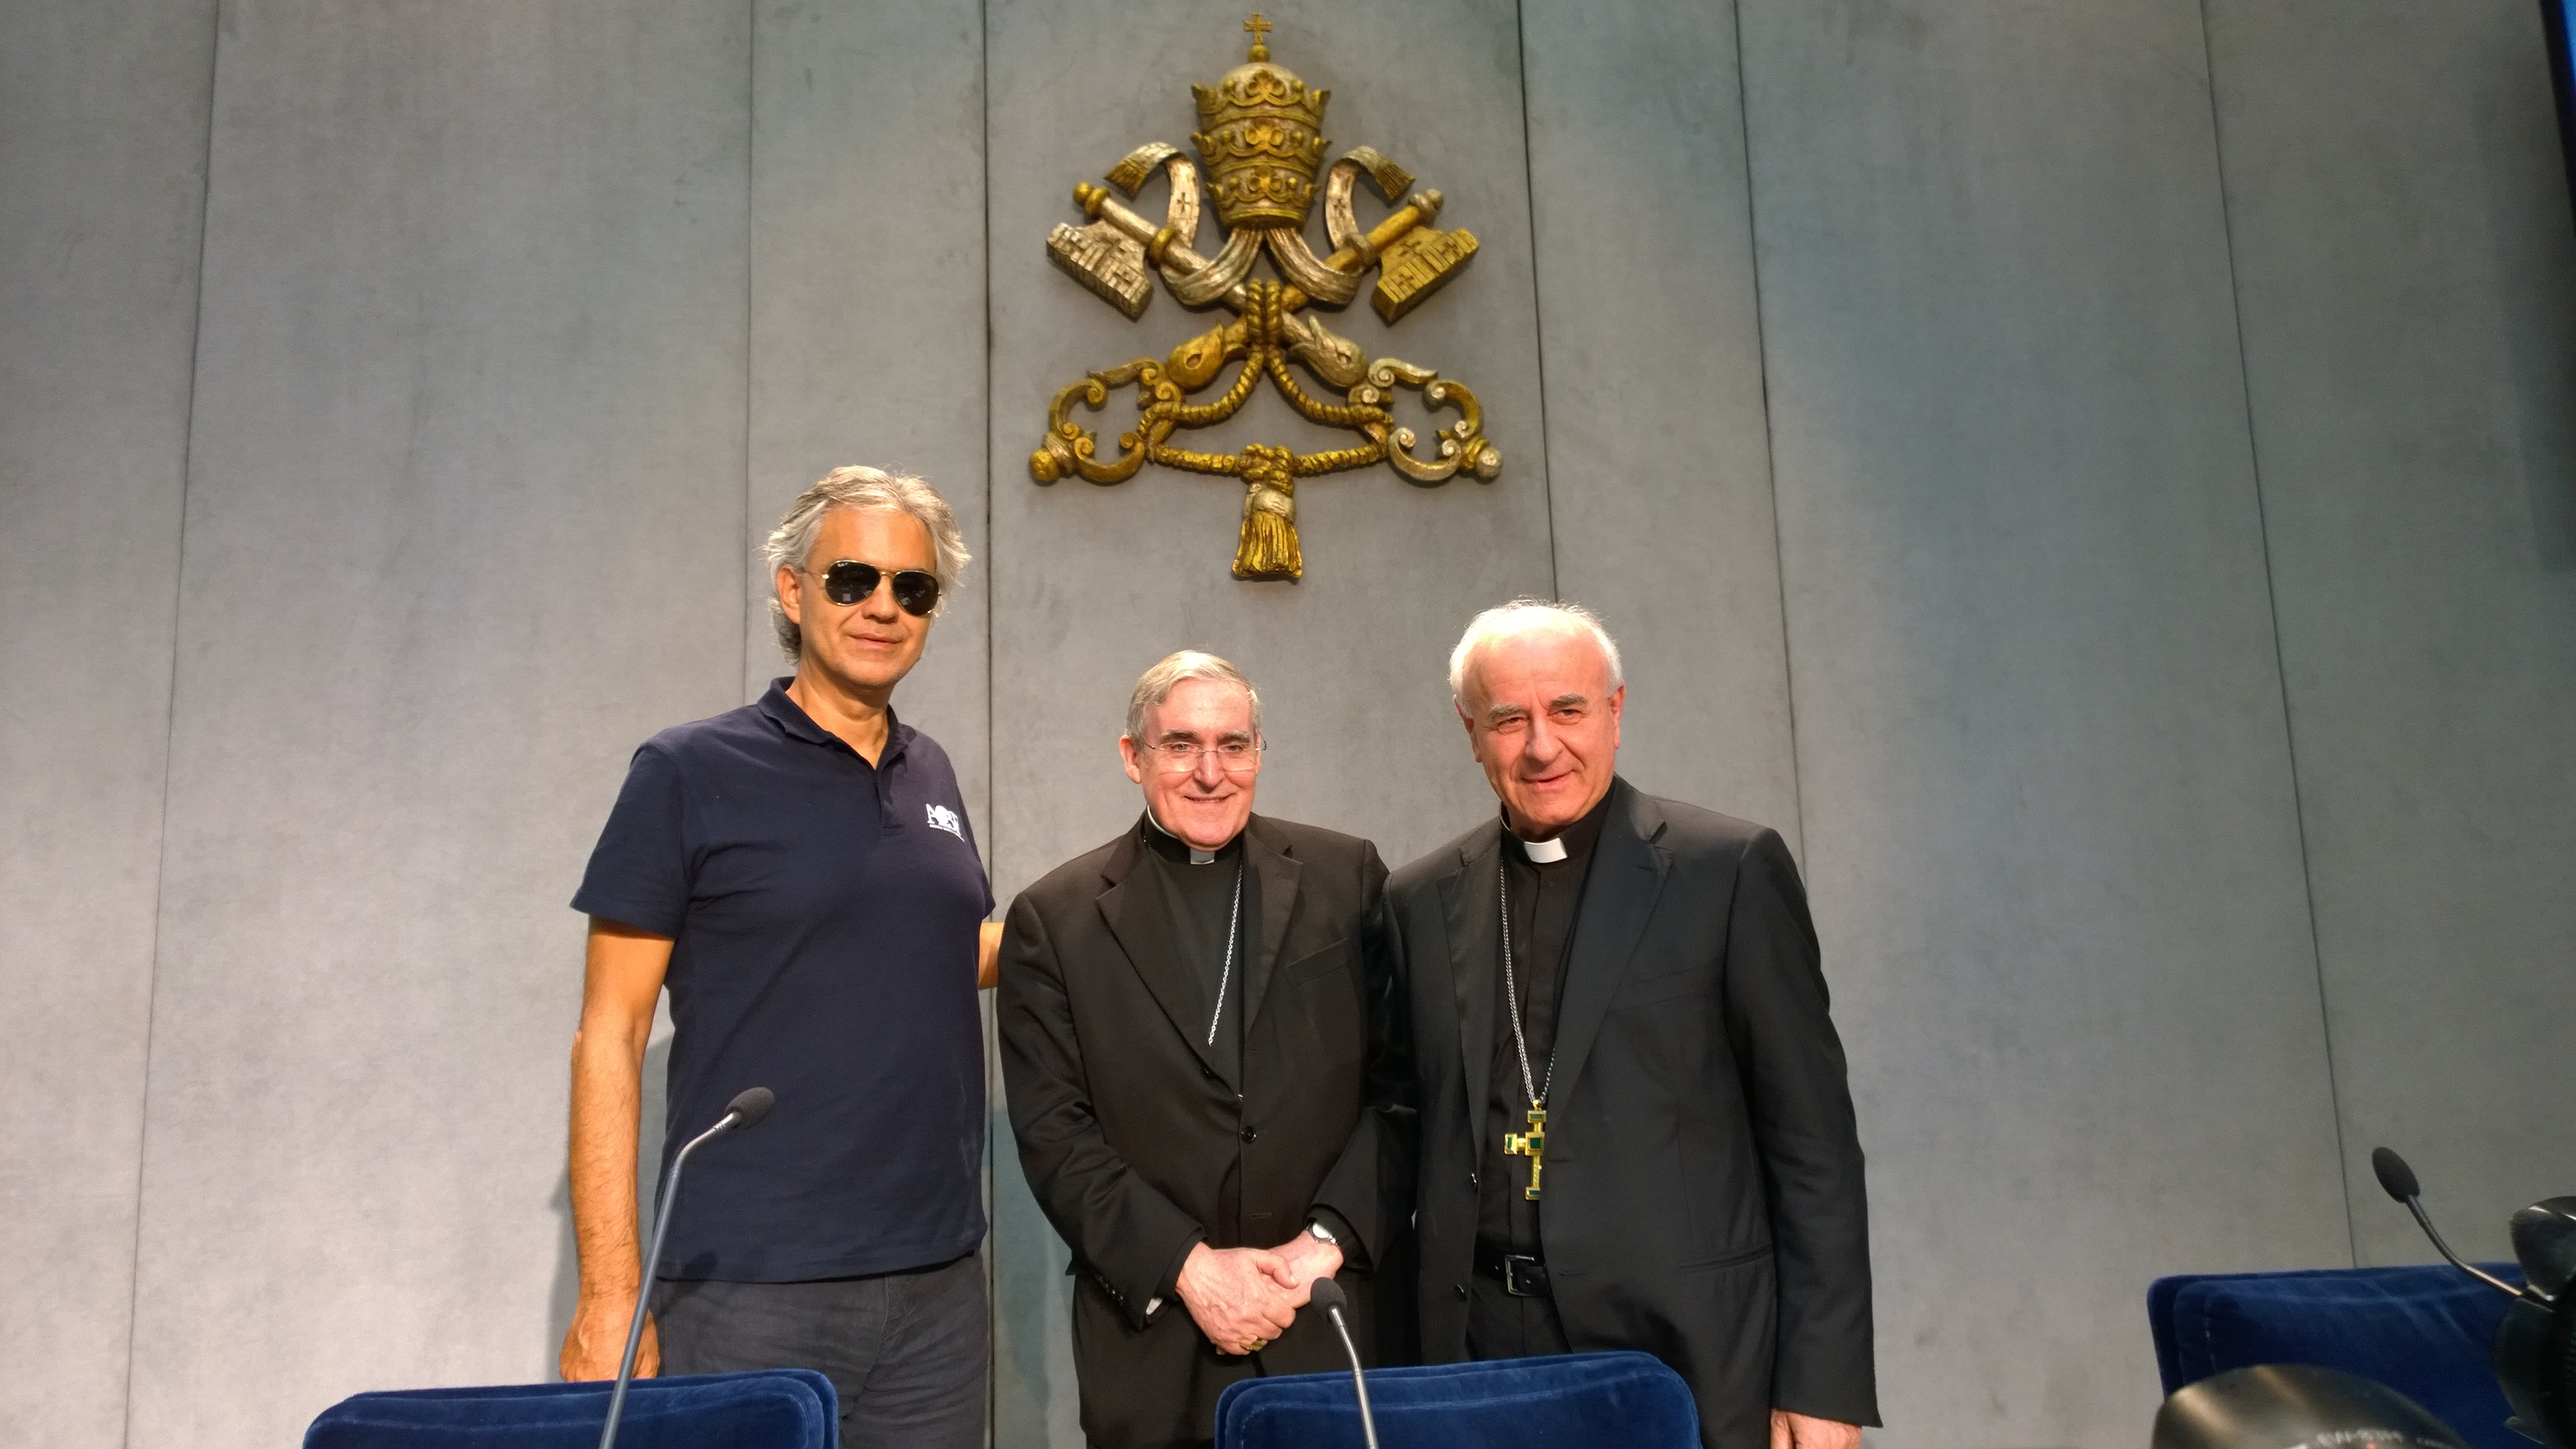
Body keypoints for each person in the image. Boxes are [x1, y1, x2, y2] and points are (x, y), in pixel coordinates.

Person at [558, 467, 1000, 1447]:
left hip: (937, 1289)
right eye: (853, 579)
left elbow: (937, 947)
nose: (883, 606)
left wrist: (1110, 925)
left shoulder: (929, 771)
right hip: (748, 1292)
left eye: (912, 588)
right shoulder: (687, 771)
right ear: (794, 592)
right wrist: (611, 1291)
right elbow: (610, 1032)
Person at [1382, 600, 1877, 1449]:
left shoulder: (1726, 871)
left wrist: (1819, 1384)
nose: (1543, 746)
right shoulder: (1419, 900)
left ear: (1616, 711)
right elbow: (1402, 1122)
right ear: (1471, 732)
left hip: (1684, 1354)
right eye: (1510, 720)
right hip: (1478, 1353)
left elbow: (1813, 1148)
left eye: (1568, 710)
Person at [998, 652, 1413, 1449]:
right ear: (1133, 757)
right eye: (1181, 745)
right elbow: (1055, 1134)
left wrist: (1321, 1246)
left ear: (1260, 752)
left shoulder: (1346, 878)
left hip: (1328, 1313)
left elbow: (1404, 1086)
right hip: (1155, 1337)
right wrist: (1190, 1269)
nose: (1210, 773)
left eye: (1234, 745)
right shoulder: (1056, 918)